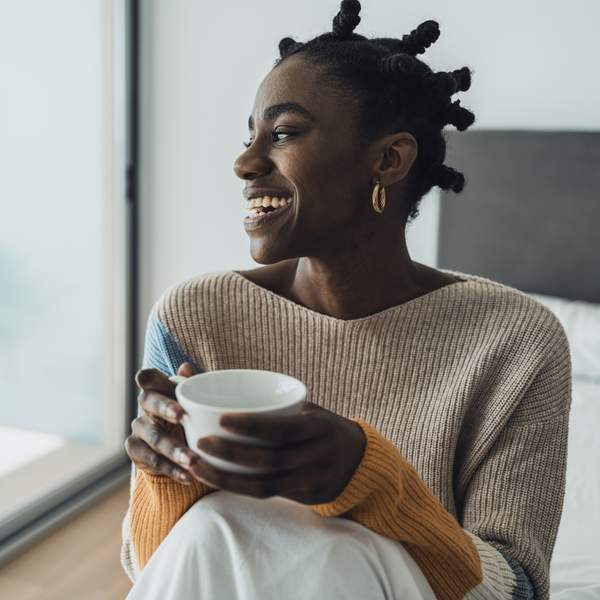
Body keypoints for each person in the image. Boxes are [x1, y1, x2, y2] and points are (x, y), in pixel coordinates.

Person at [121, 2, 571, 599]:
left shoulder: (515, 342)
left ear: (389, 159)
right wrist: (167, 477)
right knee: (214, 526)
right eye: (249, 136)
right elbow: (156, 568)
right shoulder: (194, 317)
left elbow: (518, 591)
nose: (244, 163)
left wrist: (374, 481)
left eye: (282, 133)